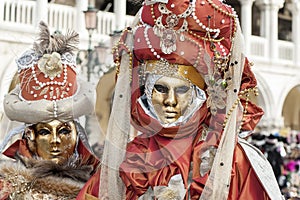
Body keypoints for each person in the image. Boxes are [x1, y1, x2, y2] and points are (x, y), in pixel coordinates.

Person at [80, 0, 284, 199]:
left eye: (182, 90)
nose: (170, 101)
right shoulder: (132, 160)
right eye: (160, 88)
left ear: (204, 95)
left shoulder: (231, 161)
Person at [0, 21, 99, 199]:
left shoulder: (98, 188)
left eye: (64, 131)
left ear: (77, 135)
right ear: (30, 137)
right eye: (45, 131)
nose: (55, 141)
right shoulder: (8, 190)